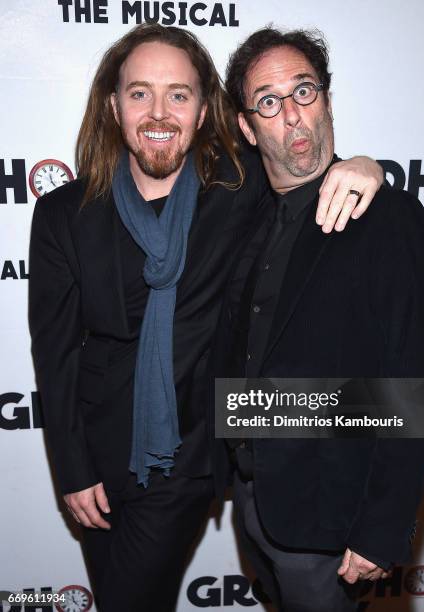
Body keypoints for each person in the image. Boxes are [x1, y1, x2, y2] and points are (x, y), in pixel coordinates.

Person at [28, 23, 383, 612]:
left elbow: (298, 154)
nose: (159, 112)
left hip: (185, 456)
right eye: (140, 93)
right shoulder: (65, 213)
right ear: (113, 106)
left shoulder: (237, 190)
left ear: (202, 110)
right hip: (96, 458)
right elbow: (55, 350)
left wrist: (363, 165)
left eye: (180, 94)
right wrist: (71, 468)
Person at [210, 27, 424, 612]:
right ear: (247, 127)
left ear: (328, 100)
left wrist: (382, 528)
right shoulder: (246, 212)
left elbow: (417, 386)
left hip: (330, 521)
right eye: (268, 101)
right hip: (254, 500)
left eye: (304, 92)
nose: (291, 115)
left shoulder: (387, 218)